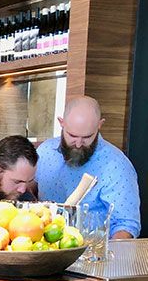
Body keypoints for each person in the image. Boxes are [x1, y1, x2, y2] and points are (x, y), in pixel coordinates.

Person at [36, 96, 140, 239]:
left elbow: (126, 225)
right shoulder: (44, 152)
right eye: (72, 135)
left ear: (100, 125)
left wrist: (110, 253)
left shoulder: (117, 165)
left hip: (92, 249)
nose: (78, 144)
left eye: (87, 137)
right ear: (61, 123)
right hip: (42, 246)